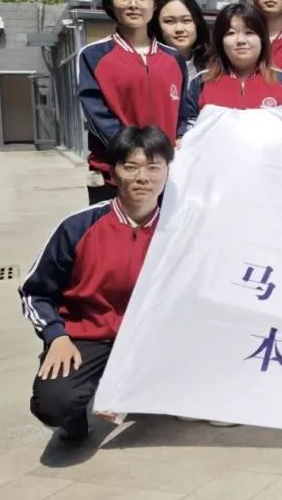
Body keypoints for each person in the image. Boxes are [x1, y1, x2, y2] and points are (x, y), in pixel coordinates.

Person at [20, 126, 173, 443]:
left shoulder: (179, 230)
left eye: (153, 167)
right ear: (113, 174)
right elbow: (35, 292)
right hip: (90, 334)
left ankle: (137, 389)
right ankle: (77, 418)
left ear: (167, 173)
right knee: (55, 403)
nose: (142, 178)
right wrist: (56, 336)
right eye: (131, 167)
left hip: (151, 336)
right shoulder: (78, 227)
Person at [78, 0, 188, 205]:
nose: (133, 4)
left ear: (155, 3)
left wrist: (177, 143)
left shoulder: (174, 59)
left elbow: (181, 116)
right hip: (115, 178)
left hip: (165, 177)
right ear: (110, 2)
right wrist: (134, 156)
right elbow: (97, 117)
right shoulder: (93, 56)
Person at [179, 3, 282, 132]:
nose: (241, 40)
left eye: (249, 32)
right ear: (220, 41)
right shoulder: (200, 83)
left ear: (262, 39)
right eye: (231, 33)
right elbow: (186, 135)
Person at [155, 0, 211, 81]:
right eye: (169, 21)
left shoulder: (215, 69)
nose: (179, 29)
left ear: (197, 24)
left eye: (186, 20)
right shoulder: (148, 69)